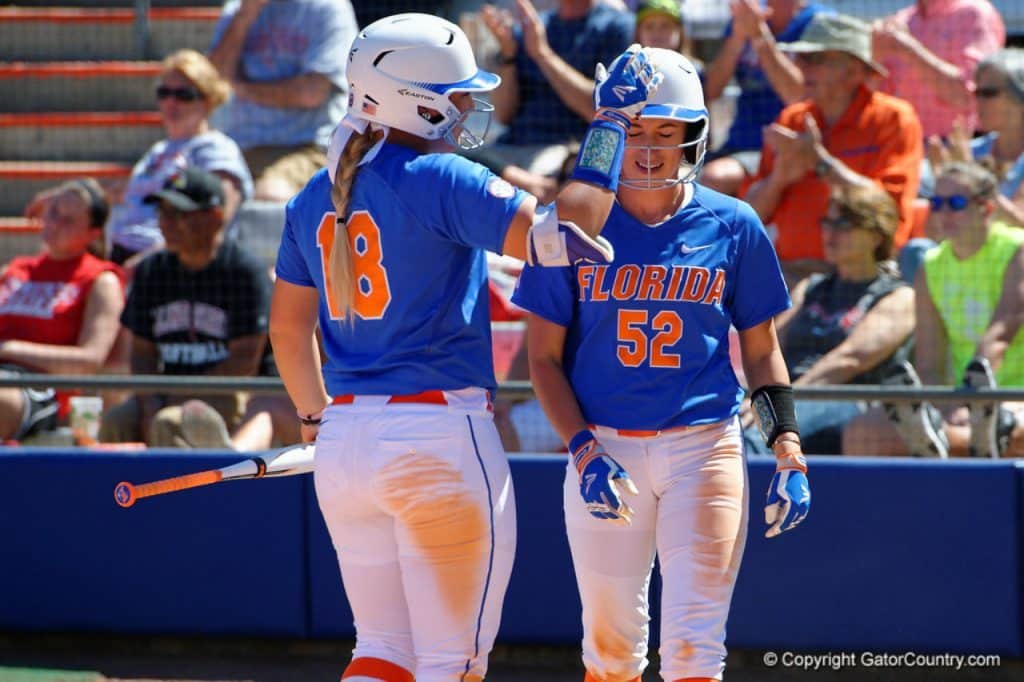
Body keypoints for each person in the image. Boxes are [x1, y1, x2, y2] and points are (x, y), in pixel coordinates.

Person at [268, 13, 660, 680]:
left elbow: (285, 329)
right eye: (454, 97)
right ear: (409, 98)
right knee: (453, 663)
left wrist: (314, 417)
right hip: (437, 437)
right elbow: (569, 234)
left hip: (345, 446)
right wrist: (610, 128)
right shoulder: (438, 177)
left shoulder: (311, 195)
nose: (465, 110)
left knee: (380, 652)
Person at [511, 48, 811, 681]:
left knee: (694, 649)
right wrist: (584, 449)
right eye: (633, 130)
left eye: (666, 132)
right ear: (607, 134)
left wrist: (787, 445)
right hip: (604, 444)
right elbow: (541, 358)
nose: (649, 148)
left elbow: (761, 351)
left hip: (705, 447)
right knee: (611, 652)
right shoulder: (568, 226)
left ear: (692, 136)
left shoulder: (734, 223)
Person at [843, 162, 1024, 459]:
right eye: (936, 203)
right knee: (862, 431)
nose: (943, 213)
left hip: (1015, 393)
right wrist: (945, 404)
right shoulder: (930, 267)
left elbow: (1000, 336)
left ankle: (958, 439)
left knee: (1001, 427)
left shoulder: (1018, 249)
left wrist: (971, 401)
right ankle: (939, 439)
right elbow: (929, 364)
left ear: (987, 208)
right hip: (963, 399)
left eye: (956, 203)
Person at [744, 12, 923, 286]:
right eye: (801, 58)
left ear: (853, 71)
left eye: (814, 60)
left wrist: (821, 163)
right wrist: (778, 179)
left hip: (864, 279)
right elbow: (751, 216)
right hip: (788, 275)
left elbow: (887, 208)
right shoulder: (792, 120)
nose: (802, 68)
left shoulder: (894, 119)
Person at [98, 167, 271, 448]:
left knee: (170, 422)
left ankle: (182, 493)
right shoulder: (152, 271)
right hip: (164, 391)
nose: (166, 223)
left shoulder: (243, 272)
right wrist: (150, 401)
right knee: (117, 420)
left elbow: (244, 363)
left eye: (179, 214)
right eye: (162, 213)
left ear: (215, 218)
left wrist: (173, 399)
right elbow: (142, 355)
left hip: (229, 392)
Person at [743, 183, 913, 456]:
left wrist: (778, 400)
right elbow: (769, 348)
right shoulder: (812, 287)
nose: (830, 233)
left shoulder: (897, 296)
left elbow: (848, 361)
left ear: (876, 235)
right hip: (787, 395)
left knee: (755, 439)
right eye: (827, 222)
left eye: (844, 224)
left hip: (847, 399)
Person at [98, 49, 252, 266]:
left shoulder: (215, 149)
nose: (171, 102)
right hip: (121, 253)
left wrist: (146, 265)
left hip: (171, 262)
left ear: (207, 100)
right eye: (164, 93)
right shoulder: (158, 150)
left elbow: (217, 217)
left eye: (184, 95)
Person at [0, 179, 125, 442]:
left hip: (42, 390)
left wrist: (9, 349)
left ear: (93, 233)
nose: (55, 223)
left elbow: (89, 360)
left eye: (68, 220)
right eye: (53, 212)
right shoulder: (15, 271)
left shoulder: (100, 279)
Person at [208, 0, 358, 202]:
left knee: (270, 196)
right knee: (203, 200)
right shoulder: (236, 9)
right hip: (239, 147)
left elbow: (311, 93)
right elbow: (212, 81)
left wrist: (243, 89)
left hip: (306, 146)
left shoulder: (328, 8)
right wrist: (244, 17)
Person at [476, 0, 634, 180]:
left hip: (568, 152)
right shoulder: (533, 26)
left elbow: (601, 110)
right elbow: (503, 114)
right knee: (456, 169)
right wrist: (508, 53)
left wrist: (542, 54)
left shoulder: (616, 26)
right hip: (510, 147)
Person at [700, 0, 831, 197]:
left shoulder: (818, 22)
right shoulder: (747, 16)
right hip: (739, 144)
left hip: (789, 147)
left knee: (714, 179)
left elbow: (798, 97)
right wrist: (737, 37)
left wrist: (759, 37)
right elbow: (712, 91)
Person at [871, 0, 1004, 141]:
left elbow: (970, 97)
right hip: (909, 144)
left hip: (967, 146)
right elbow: (880, 97)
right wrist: (874, 58)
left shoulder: (973, 14)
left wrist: (910, 50)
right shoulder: (903, 20)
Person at [928, 48, 1024, 226]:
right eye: (976, 93)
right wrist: (941, 182)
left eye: (988, 93)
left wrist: (969, 173)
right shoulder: (971, 150)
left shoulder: (966, 156)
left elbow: (1019, 226)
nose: (977, 102)